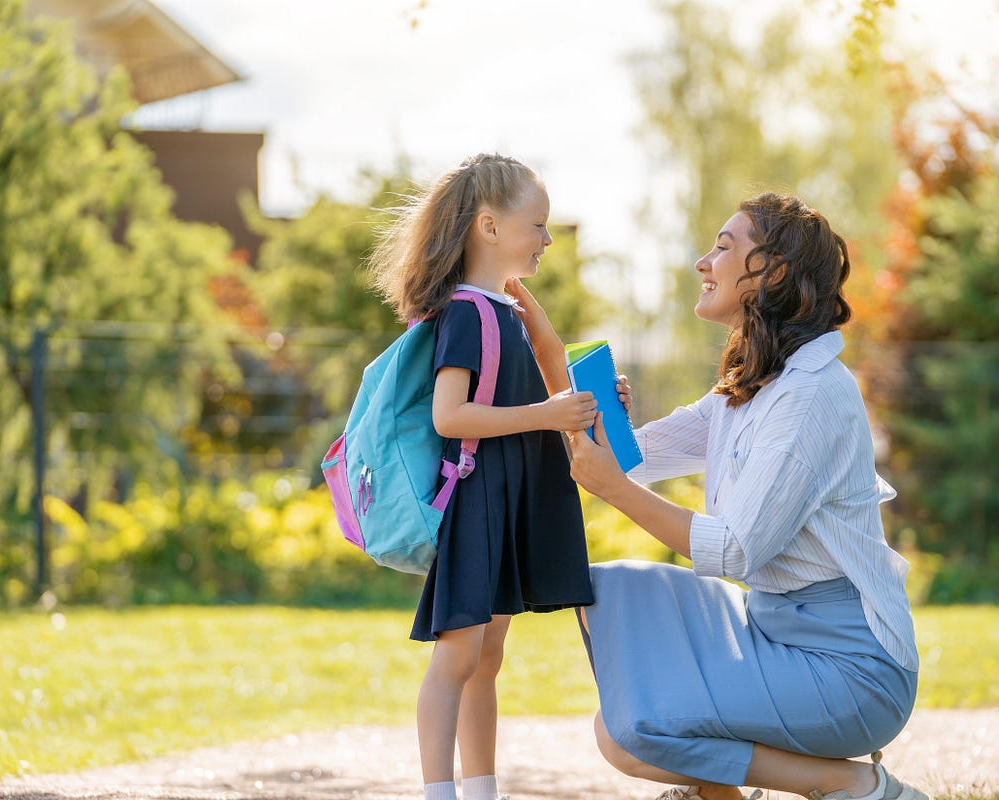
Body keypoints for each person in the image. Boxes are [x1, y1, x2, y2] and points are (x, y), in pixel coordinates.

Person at [507, 192, 929, 800]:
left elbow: (734, 552)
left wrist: (615, 488)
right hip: (774, 631)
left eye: (724, 248)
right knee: (615, 636)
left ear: (774, 272)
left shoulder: (810, 395)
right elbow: (638, 458)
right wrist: (599, 418)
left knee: (635, 731)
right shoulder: (754, 386)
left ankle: (851, 784)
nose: (703, 263)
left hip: (851, 672)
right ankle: (721, 793)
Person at [368, 152, 597, 800]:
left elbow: (538, 393)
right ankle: (443, 792)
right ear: (490, 227)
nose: (548, 239)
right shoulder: (467, 313)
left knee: (486, 658)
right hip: (477, 503)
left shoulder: (509, 312)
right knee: (458, 657)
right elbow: (450, 415)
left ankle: (481, 790)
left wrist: (573, 403)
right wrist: (546, 413)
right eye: (539, 226)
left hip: (507, 498)